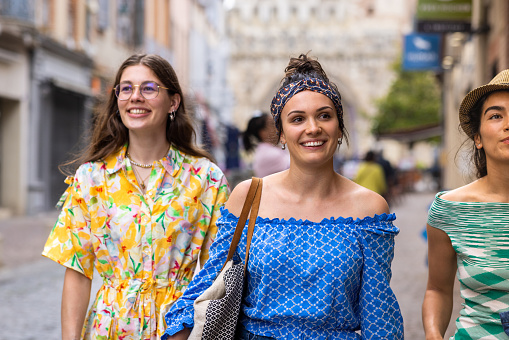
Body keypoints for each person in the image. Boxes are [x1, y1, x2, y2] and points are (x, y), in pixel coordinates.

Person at [163, 53, 403, 339]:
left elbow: (379, 317)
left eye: (324, 116)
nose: (312, 128)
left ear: (339, 128)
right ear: (281, 135)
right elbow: (211, 283)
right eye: (297, 119)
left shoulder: (369, 209)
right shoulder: (248, 197)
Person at [42, 54, 229, 340]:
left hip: (179, 330)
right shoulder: (91, 179)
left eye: (149, 88)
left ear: (173, 102)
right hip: (108, 330)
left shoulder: (206, 178)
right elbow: (79, 272)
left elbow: (218, 274)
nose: (135, 97)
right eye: (126, 88)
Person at [422, 69, 509, 339]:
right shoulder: (450, 209)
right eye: (496, 116)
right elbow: (437, 289)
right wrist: (434, 334)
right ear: (478, 138)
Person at [243, 111, 290, 177]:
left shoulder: (269, 151)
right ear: (262, 133)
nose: (278, 127)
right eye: (272, 124)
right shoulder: (270, 154)